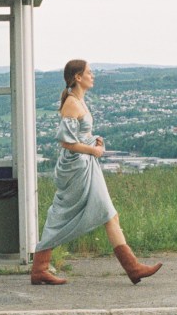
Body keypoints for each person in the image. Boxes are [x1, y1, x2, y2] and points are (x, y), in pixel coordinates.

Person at [31, 59, 162, 285]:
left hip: (85, 164)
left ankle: (133, 268)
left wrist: (94, 141)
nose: (93, 76)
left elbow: (78, 137)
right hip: (77, 168)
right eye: (89, 73)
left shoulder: (80, 100)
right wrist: (93, 149)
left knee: (108, 214)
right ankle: (132, 268)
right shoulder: (72, 103)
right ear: (78, 77)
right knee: (70, 215)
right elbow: (67, 142)